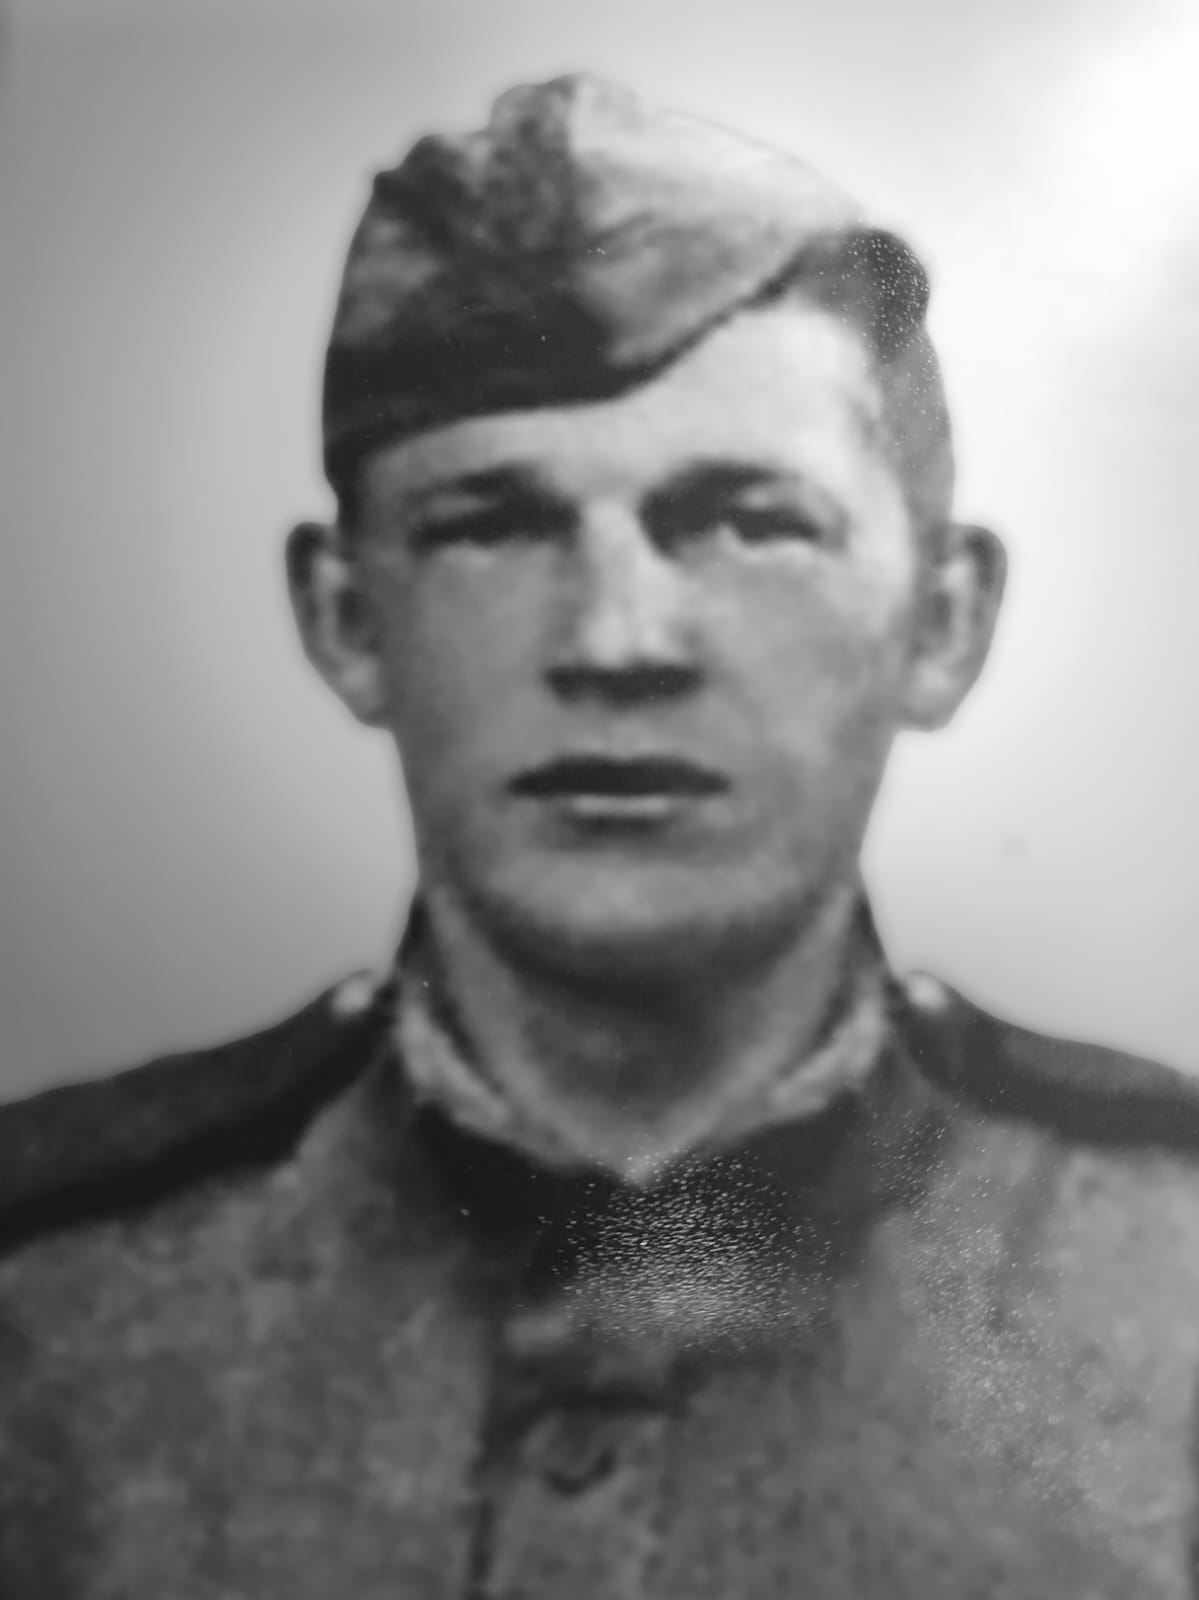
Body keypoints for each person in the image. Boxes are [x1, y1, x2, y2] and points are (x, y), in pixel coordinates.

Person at [2, 71, 1198, 1600]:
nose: (616, 639)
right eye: (493, 526)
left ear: (942, 623)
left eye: (747, 521)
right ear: (348, 619)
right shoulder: (48, 1310)